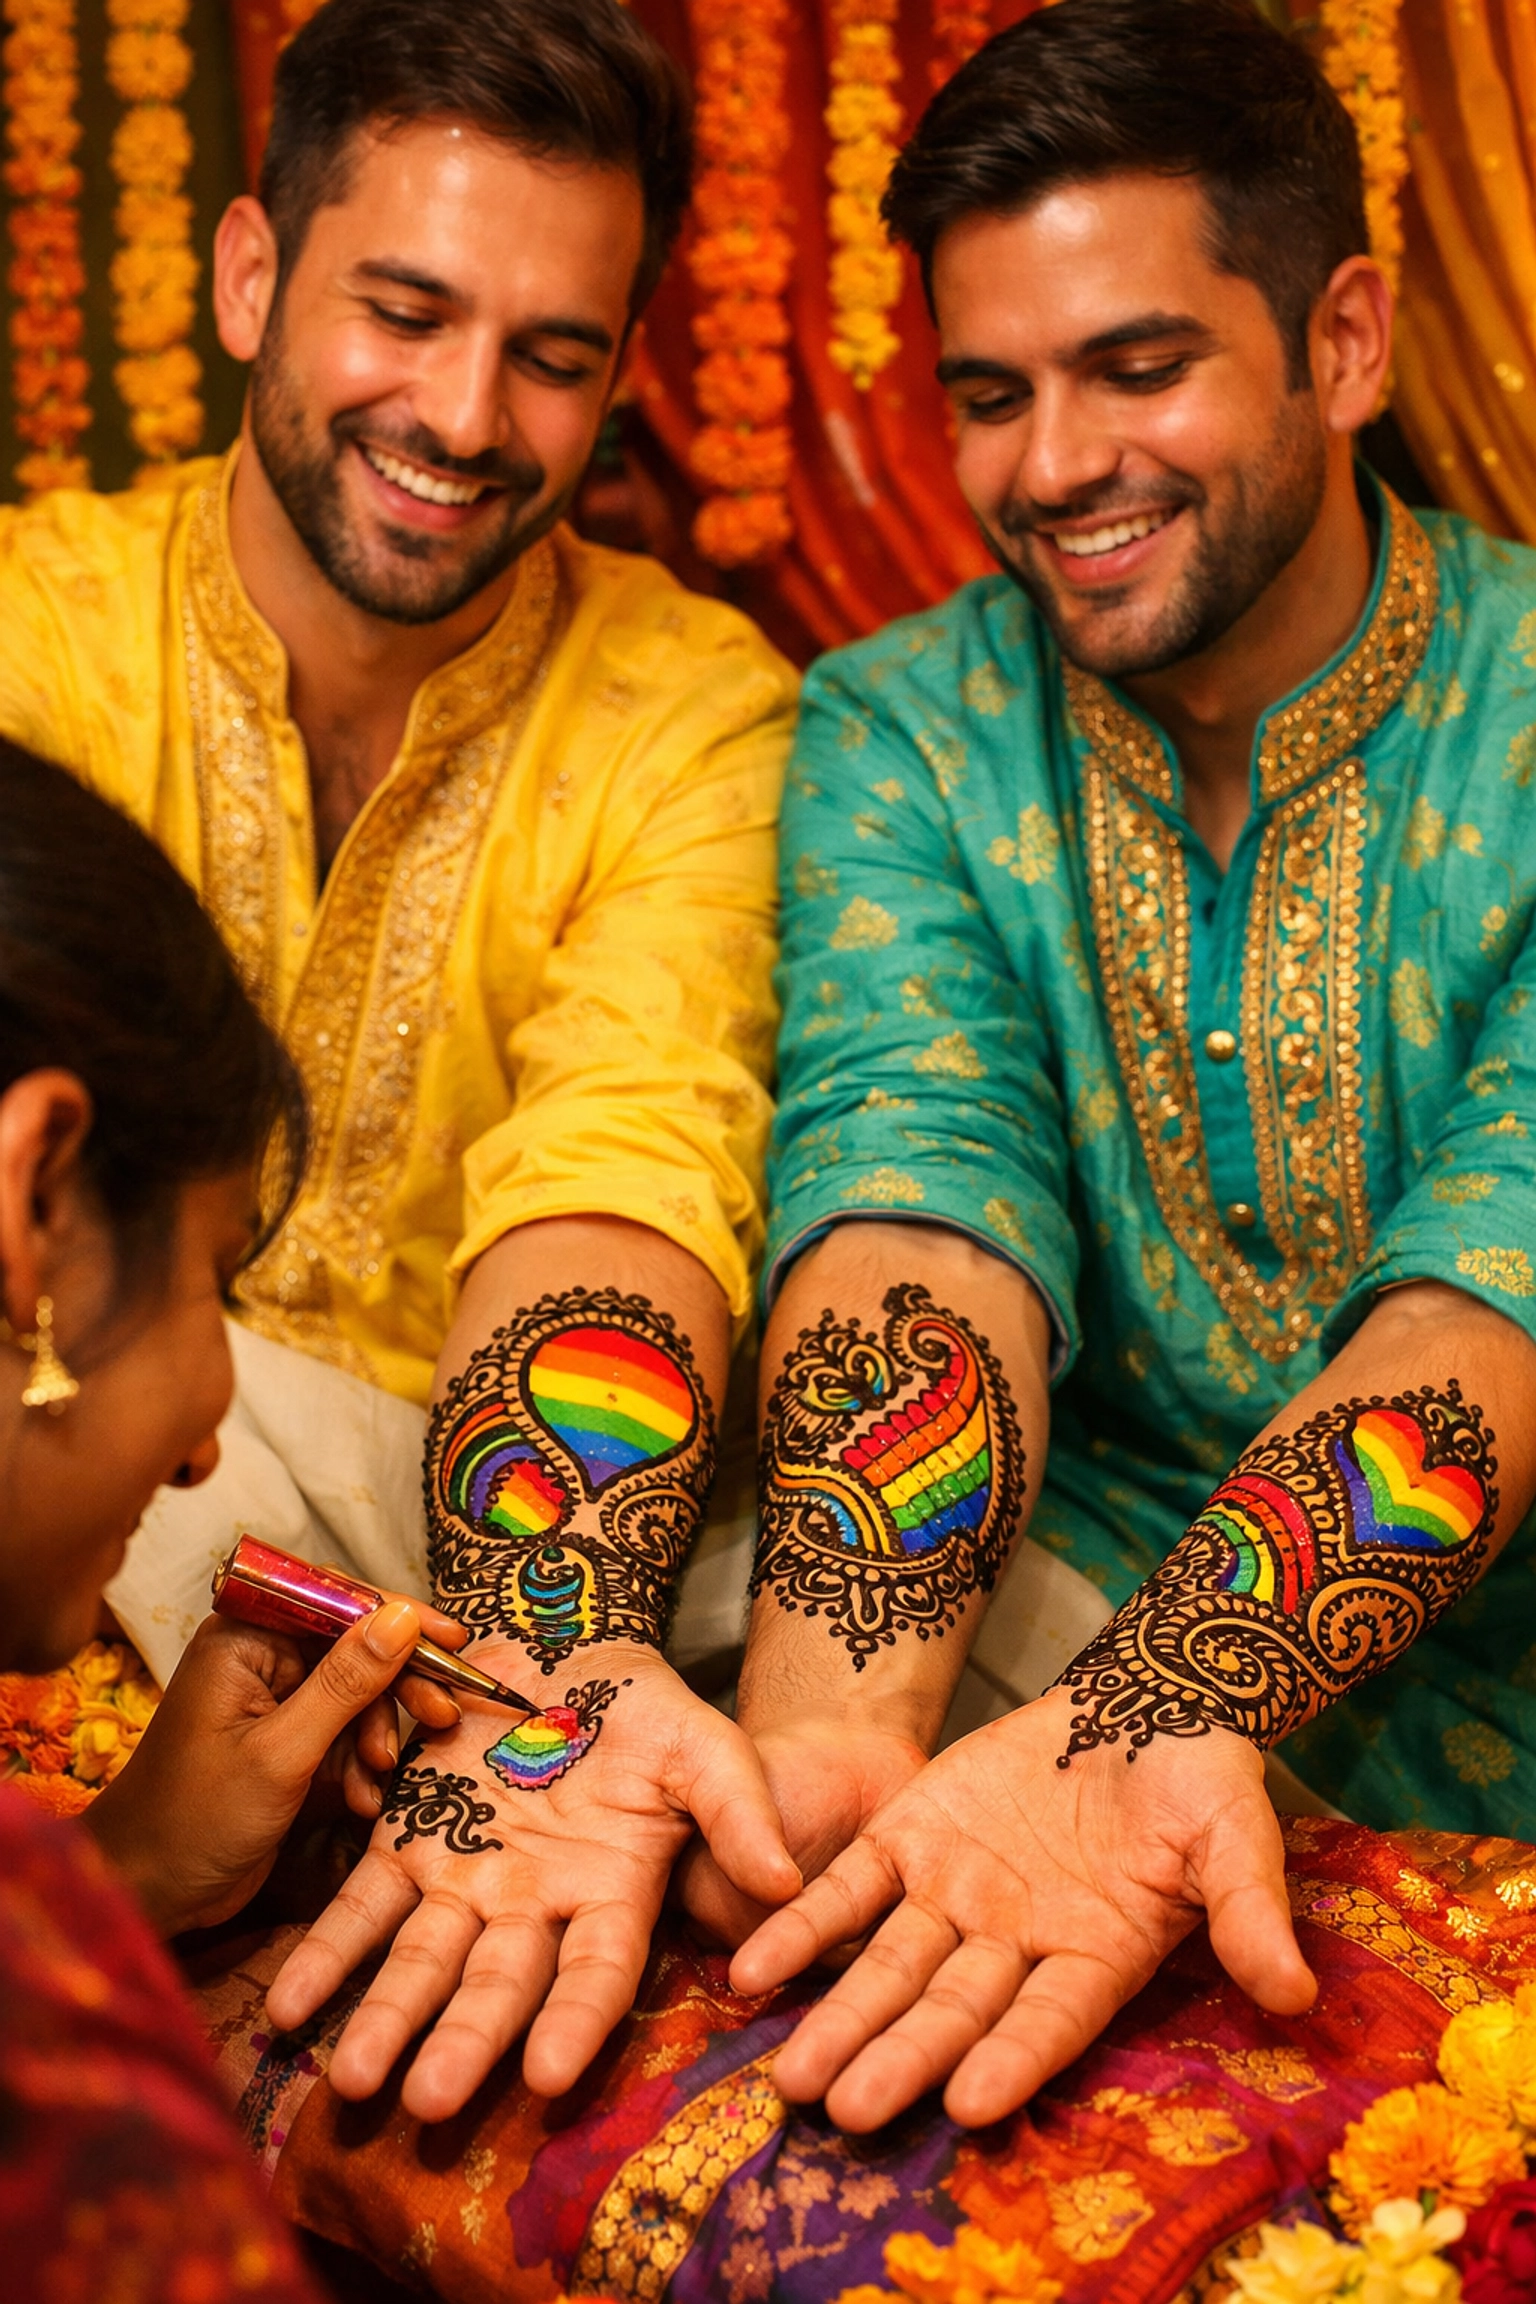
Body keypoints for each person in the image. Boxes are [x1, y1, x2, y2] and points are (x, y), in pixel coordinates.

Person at [705, 0, 1536, 2139]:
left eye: (1137, 368)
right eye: (991, 395)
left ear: (1342, 343)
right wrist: (833, 1739)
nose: (1052, 465)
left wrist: (1157, 1717)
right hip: (1043, 1669)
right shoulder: (906, 728)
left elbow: (1494, 1287)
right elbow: (917, 1197)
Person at [0, 0, 800, 2122]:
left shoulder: (696, 713)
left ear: (624, 367)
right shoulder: (34, 635)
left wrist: (545, 1670)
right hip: (104, 1466)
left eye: (552, 352)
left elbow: (631, 1167)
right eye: (407, 311)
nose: (462, 414)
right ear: (255, 277)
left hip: (551, 1513)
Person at [0, 737, 485, 2295]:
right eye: (217, 1276)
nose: (213, 1450)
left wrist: (121, 1868)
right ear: (33, 1200)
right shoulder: (61, 2079)